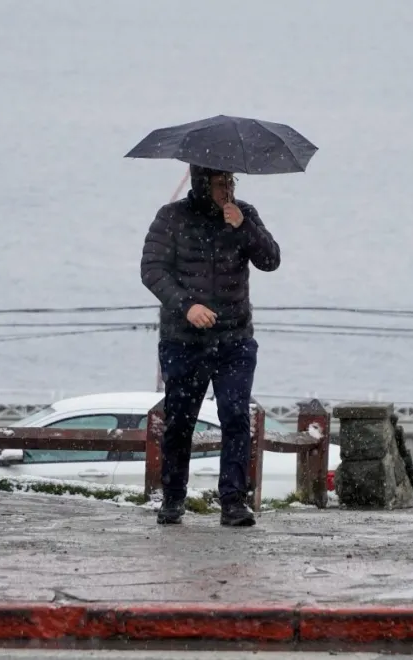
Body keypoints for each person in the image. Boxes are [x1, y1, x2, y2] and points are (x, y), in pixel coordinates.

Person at [140, 164, 281, 526]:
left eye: (231, 182)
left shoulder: (244, 214)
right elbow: (152, 269)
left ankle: (233, 501)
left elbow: (271, 260)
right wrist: (187, 306)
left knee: (235, 417)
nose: (228, 190)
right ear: (202, 184)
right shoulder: (171, 217)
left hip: (234, 339)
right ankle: (172, 498)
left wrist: (244, 228)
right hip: (183, 340)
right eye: (221, 183)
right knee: (180, 421)